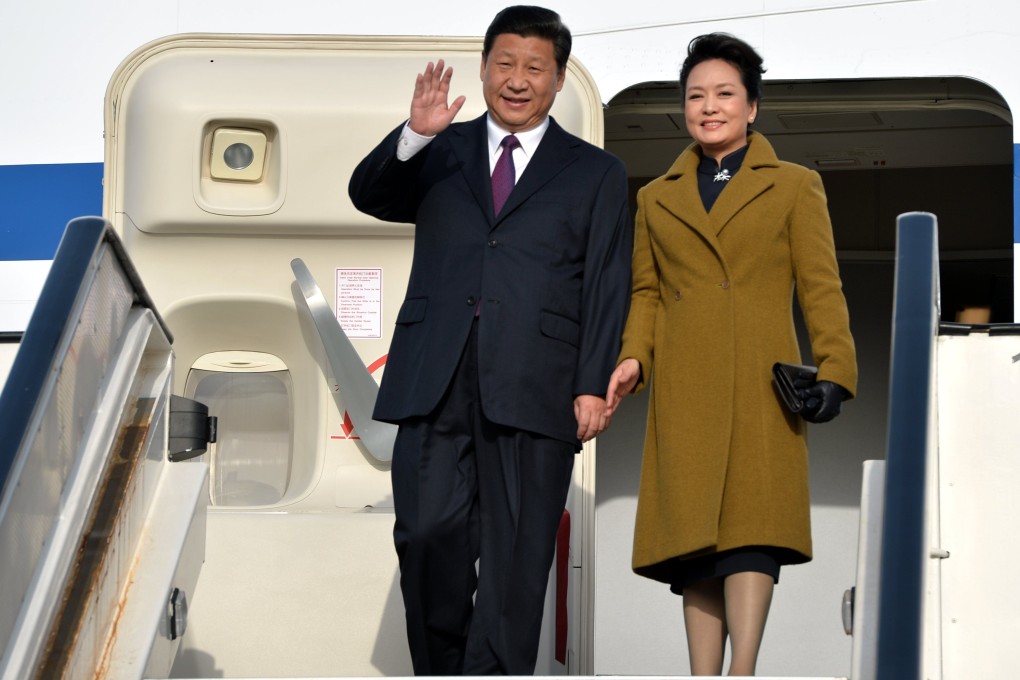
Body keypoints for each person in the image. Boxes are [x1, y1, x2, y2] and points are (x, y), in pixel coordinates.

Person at [348, 6, 632, 675]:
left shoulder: (596, 172)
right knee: (425, 535)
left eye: (535, 67)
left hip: (539, 385)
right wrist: (413, 135)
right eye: (505, 63)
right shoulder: (439, 148)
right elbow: (369, 195)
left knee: (517, 561)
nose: (517, 79)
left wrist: (593, 382)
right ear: (483, 68)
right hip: (435, 378)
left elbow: (608, 282)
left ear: (558, 79)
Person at [605, 33, 857, 676]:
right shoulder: (656, 196)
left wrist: (836, 372)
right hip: (686, 386)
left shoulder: (796, 186)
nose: (708, 106)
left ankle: (743, 669)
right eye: (696, 95)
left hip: (758, 384)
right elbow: (647, 292)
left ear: (752, 108)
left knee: (751, 536)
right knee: (696, 548)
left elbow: (821, 286)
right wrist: (634, 358)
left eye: (724, 94)